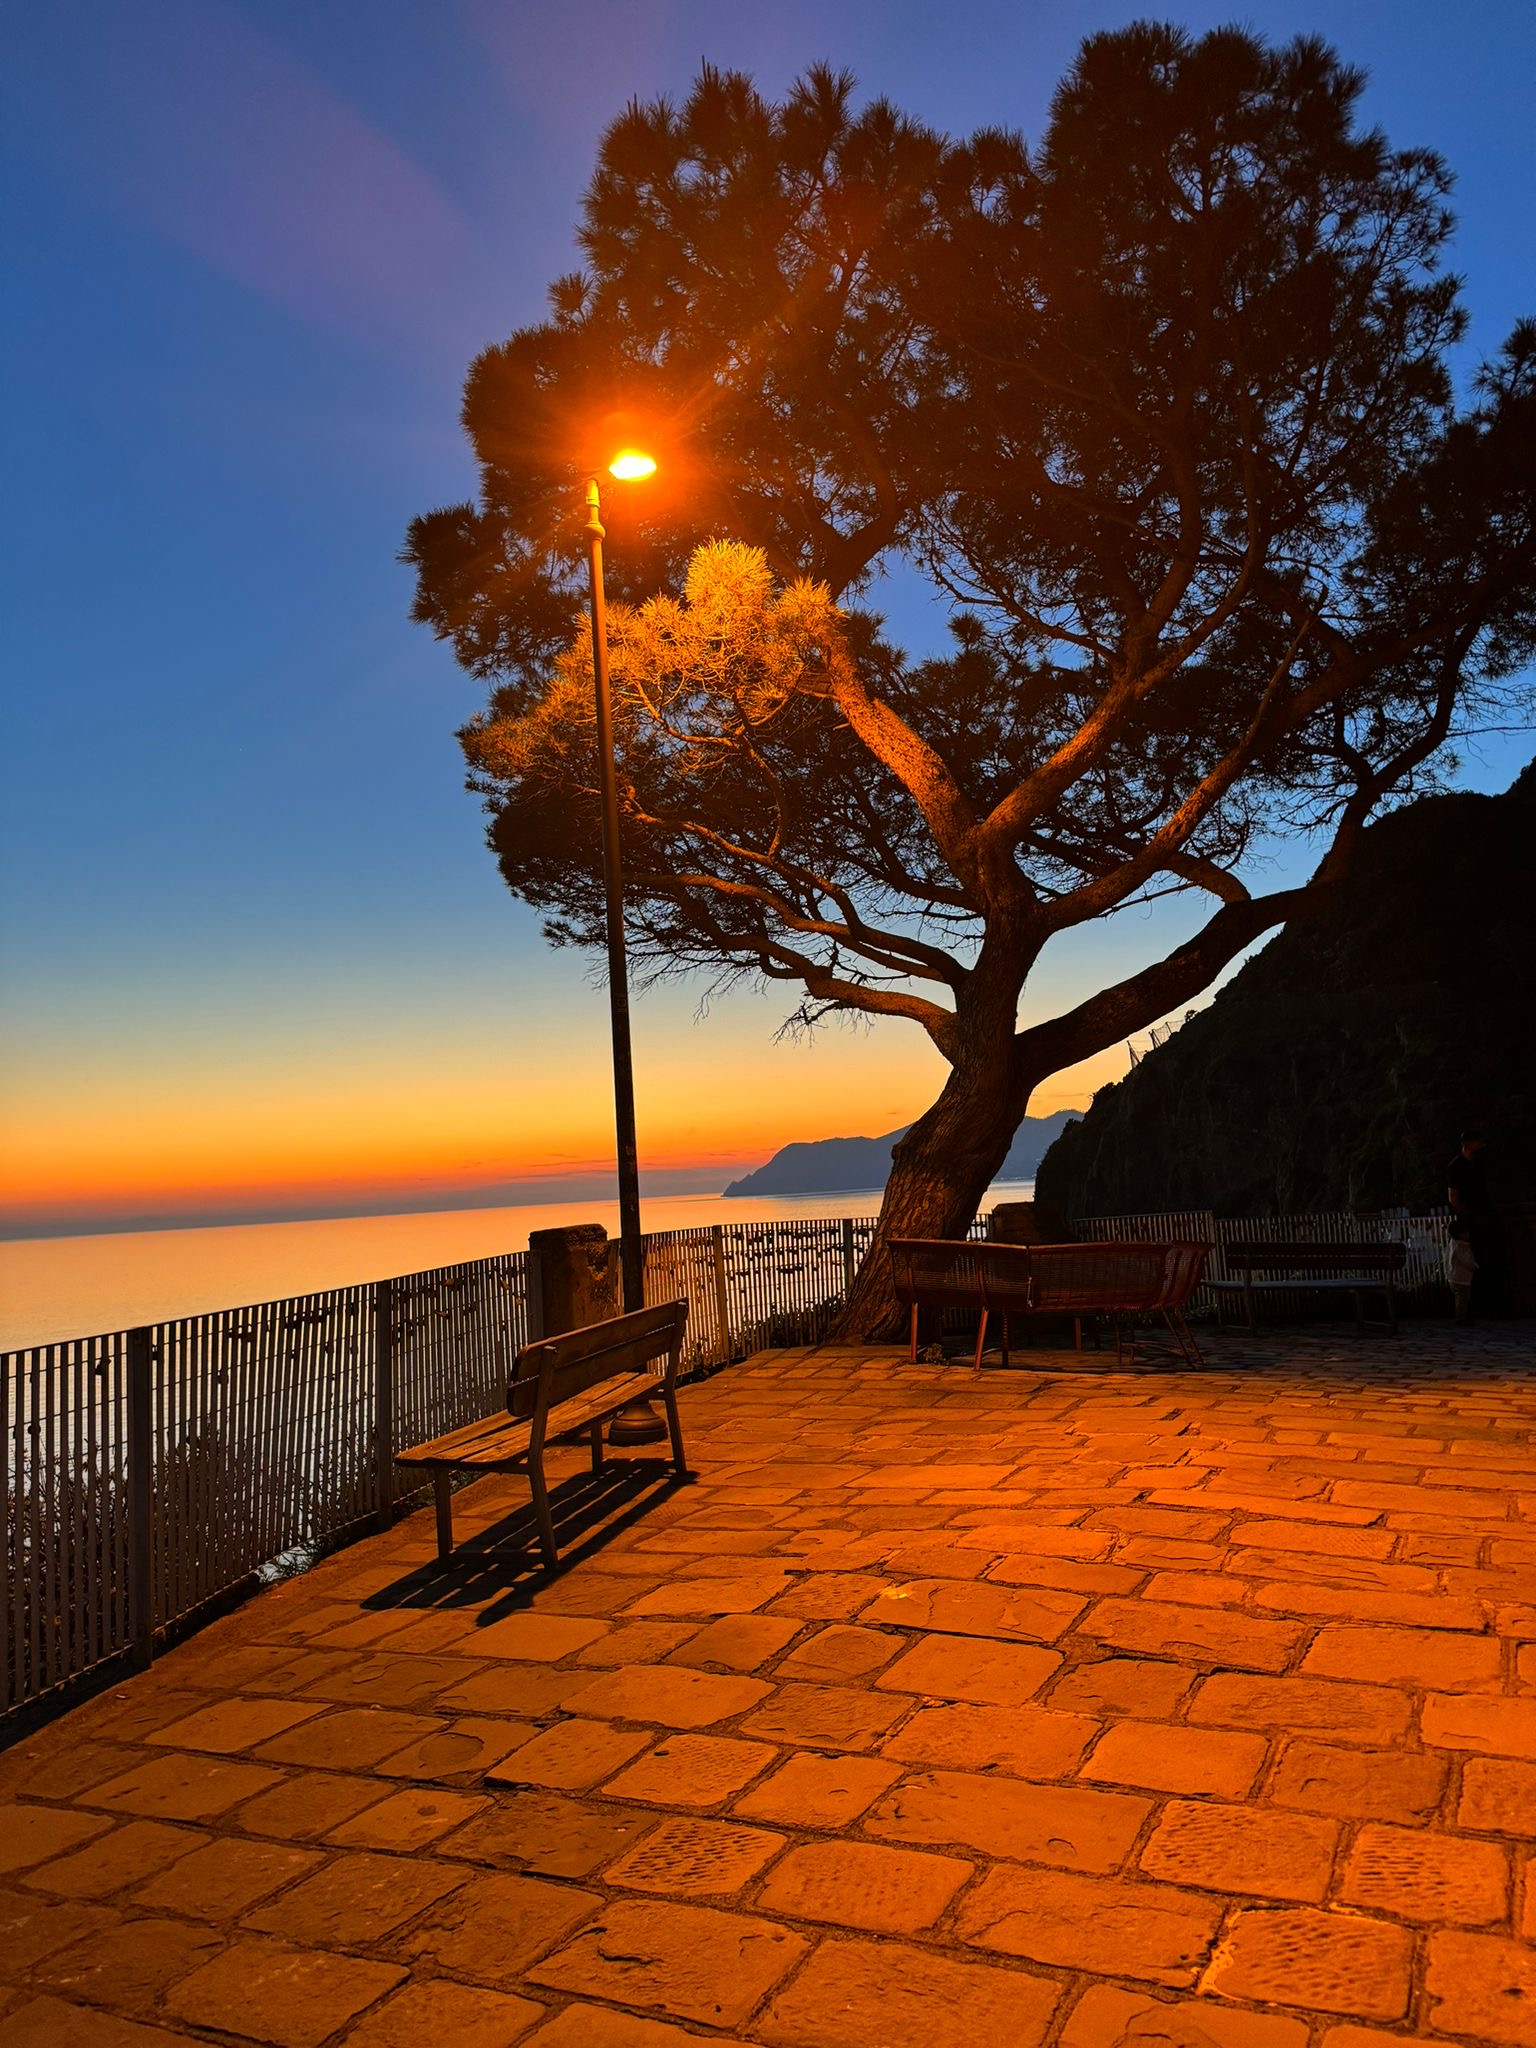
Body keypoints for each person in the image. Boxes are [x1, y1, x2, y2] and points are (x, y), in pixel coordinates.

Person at [1446, 1129, 1500, 1323]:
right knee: (1473, 1259)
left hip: (1483, 1214)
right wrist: (1468, 1213)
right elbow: (1453, 1196)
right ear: (1468, 1143)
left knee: (1487, 1259)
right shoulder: (1456, 1166)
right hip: (1471, 1217)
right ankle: (1476, 1308)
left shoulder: (1478, 1164)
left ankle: (1487, 1306)